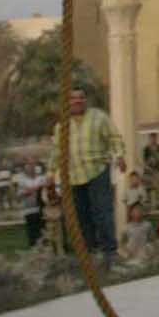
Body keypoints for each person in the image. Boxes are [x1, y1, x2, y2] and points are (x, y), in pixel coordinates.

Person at [55, 88, 123, 265]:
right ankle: (89, 253)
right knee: (81, 216)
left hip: (97, 170)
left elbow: (114, 138)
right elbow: (56, 151)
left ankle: (110, 252)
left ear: (85, 100)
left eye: (81, 98)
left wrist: (120, 155)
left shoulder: (99, 117)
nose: (77, 101)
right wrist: (50, 174)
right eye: (73, 98)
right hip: (74, 175)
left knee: (102, 212)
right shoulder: (62, 125)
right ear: (67, 101)